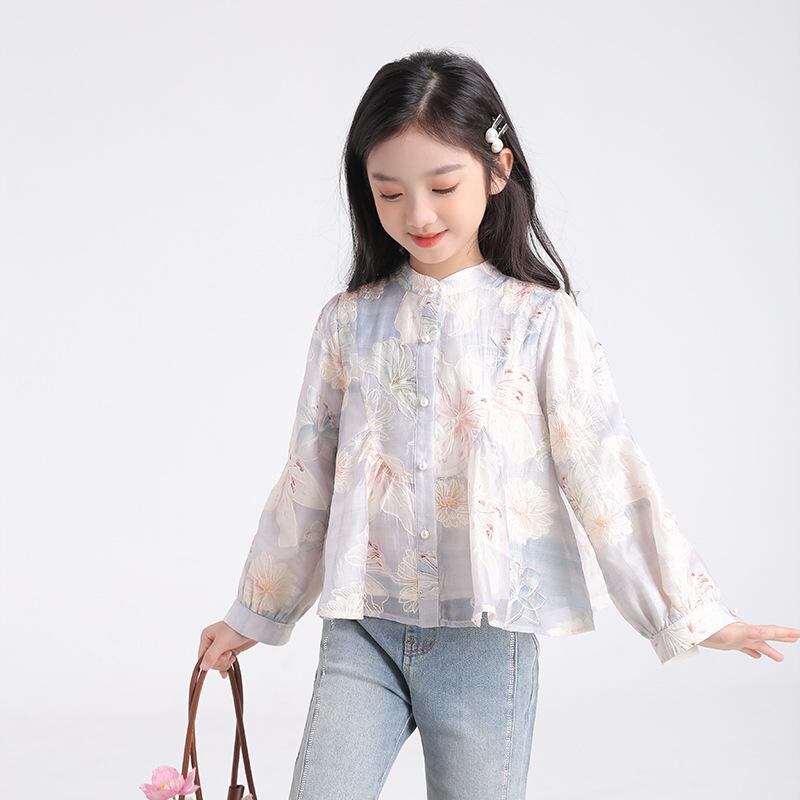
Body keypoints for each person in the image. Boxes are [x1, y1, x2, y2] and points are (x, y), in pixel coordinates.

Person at [197, 48, 800, 799]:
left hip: (486, 640)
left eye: (442, 185)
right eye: (390, 193)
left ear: (497, 169)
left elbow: (604, 472)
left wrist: (693, 614)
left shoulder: (541, 322)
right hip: (362, 629)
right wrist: (253, 612)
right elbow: (307, 477)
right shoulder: (348, 324)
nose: (418, 215)